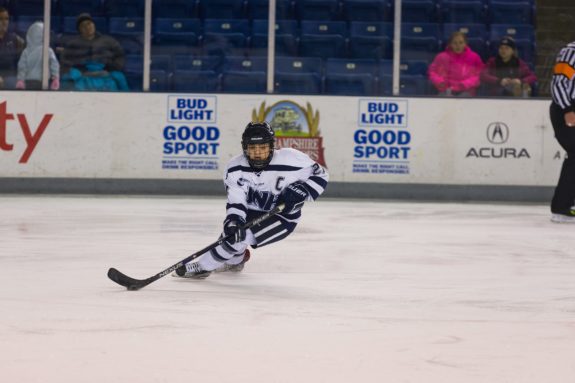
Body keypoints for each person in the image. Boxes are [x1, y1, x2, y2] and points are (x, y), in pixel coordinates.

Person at [173, 121, 329, 279]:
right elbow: (236, 201)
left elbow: (321, 174)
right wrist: (233, 220)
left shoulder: (291, 159)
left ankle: (203, 267)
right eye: (252, 148)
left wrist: (304, 190)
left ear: (271, 146)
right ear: (245, 148)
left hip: (282, 217)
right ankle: (237, 261)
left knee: (239, 238)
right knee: (232, 236)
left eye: (262, 147)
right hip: (249, 213)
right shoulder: (235, 168)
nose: (258, 153)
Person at [59, 12, 128, 91]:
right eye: (83, 26)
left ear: (94, 25)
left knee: (119, 79)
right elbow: (64, 62)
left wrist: (111, 68)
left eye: (89, 23)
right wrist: (79, 70)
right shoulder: (73, 44)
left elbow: (120, 55)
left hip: (106, 76)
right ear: (80, 30)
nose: (87, 27)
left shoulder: (109, 41)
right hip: (83, 77)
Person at [549, 41, 575, 223]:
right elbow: (558, 83)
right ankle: (562, 207)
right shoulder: (571, 52)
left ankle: (565, 204)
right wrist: (568, 109)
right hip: (566, 109)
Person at [428, 31, 484, 96]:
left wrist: (465, 84)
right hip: (446, 90)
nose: (458, 46)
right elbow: (432, 72)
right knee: (442, 97)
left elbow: (479, 75)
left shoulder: (474, 57)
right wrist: (439, 81)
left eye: (461, 43)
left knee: (464, 97)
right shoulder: (441, 57)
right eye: (455, 43)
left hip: (466, 90)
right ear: (450, 44)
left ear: (465, 43)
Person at [15, 22, 60, 90]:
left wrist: (21, 79)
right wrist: (55, 77)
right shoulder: (48, 50)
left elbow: (22, 67)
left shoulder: (26, 51)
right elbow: (54, 65)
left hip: (29, 82)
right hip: (44, 82)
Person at [0, 7, 25, 89]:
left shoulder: (14, 38)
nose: (4, 22)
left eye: (6, 19)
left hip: (10, 76)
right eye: (1, 19)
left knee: (13, 83)